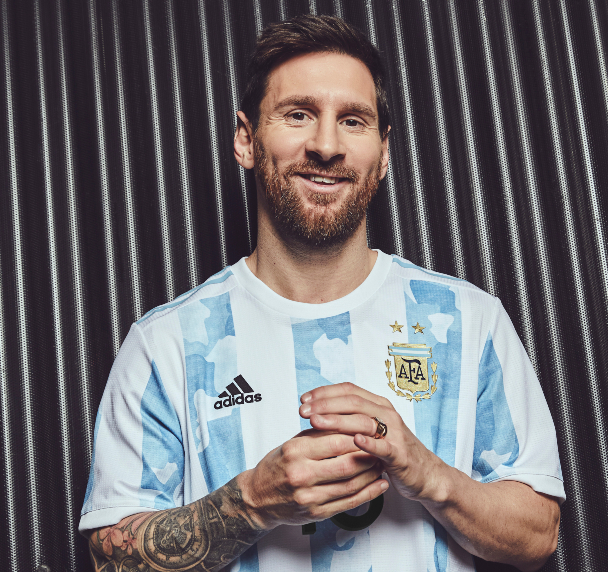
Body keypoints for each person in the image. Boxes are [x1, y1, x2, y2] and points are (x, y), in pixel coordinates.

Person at [79, 14, 564, 572]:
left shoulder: (469, 320)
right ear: (246, 139)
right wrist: (252, 502)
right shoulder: (164, 343)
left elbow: (539, 534)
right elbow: (108, 559)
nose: (327, 145)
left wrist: (428, 473)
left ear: (383, 152)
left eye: (353, 121)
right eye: (298, 114)